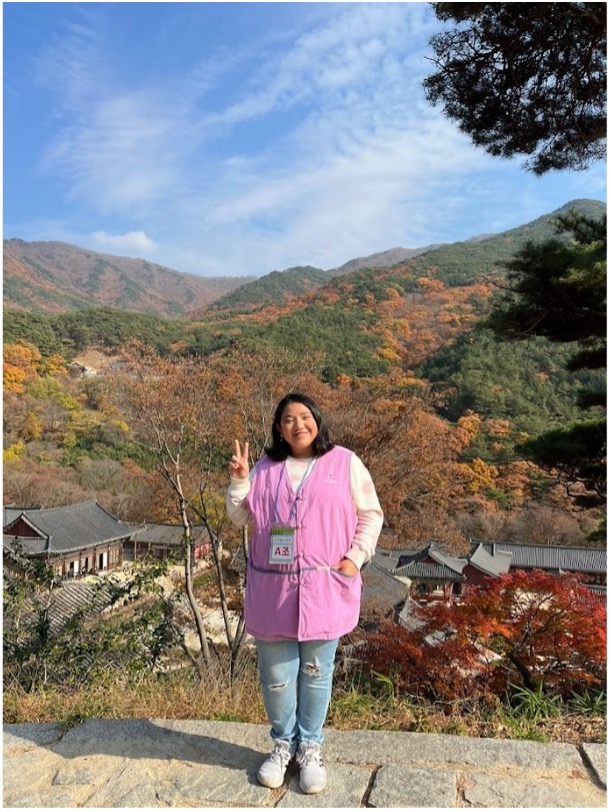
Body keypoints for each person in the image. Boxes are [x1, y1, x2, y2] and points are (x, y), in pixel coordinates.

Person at [226, 392, 383, 794]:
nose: (298, 425)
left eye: (304, 416)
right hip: (273, 590)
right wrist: (240, 479)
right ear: (279, 429)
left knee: (315, 674)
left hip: (324, 587)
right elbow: (239, 515)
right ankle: (283, 745)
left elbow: (370, 514)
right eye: (288, 419)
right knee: (276, 678)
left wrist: (354, 558)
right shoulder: (264, 467)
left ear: (317, 420)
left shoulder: (345, 463)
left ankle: (310, 748)